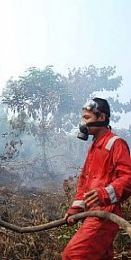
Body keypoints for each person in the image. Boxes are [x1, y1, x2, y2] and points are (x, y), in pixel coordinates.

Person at [62, 97, 131, 259]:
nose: (83, 123)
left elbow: (128, 178)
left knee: (73, 256)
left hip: (105, 215)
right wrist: (76, 209)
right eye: (83, 118)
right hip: (92, 214)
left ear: (101, 118)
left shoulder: (116, 143)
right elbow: (84, 182)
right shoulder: (95, 147)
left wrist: (104, 194)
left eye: (87, 118)